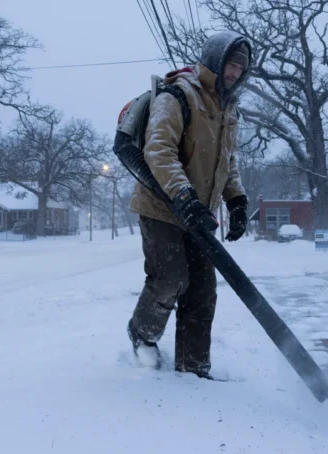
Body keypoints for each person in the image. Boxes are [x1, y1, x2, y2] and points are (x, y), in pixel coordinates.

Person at [127, 32, 252, 378]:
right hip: (163, 207)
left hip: (198, 215)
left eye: (241, 67)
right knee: (170, 279)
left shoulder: (229, 109)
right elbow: (159, 151)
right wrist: (184, 196)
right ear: (215, 59)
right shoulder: (179, 95)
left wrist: (236, 200)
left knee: (202, 291)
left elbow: (226, 162)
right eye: (231, 63)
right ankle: (142, 335)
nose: (235, 72)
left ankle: (194, 368)